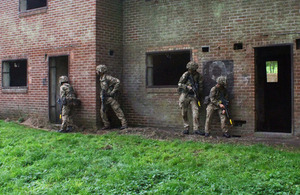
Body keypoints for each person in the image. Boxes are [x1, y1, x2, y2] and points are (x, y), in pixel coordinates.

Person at [96, 64, 128, 130]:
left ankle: (124, 124)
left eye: (97, 70)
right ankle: (106, 125)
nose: (97, 72)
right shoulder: (101, 79)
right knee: (102, 112)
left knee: (117, 110)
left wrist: (113, 92)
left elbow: (117, 82)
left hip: (111, 98)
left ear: (101, 71)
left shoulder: (108, 78)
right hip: (104, 98)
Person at [178, 61, 203, 135]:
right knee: (184, 112)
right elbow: (179, 84)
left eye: (191, 69)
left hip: (194, 95)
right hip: (185, 94)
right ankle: (186, 128)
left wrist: (198, 94)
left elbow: (201, 87)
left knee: (196, 112)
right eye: (189, 69)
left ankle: (196, 129)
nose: (190, 70)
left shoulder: (199, 76)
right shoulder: (186, 74)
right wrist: (186, 87)